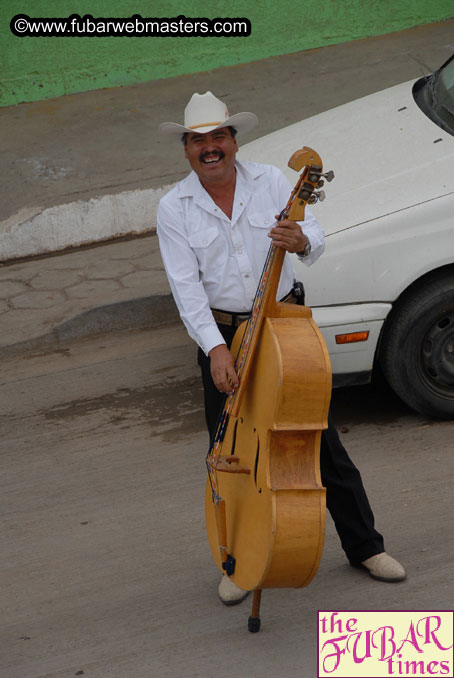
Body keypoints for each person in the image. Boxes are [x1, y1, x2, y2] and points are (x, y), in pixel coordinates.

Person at [157, 91, 406, 605]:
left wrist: (301, 241)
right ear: (186, 149)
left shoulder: (273, 180)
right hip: (223, 336)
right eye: (199, 140)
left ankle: (365, 547)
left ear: (233, 141)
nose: (210, 148)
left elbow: (313, 234)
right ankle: (235, 559)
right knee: (228, 454)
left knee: (316, 441)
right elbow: (186, 289)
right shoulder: (173, 208)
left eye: (218, 137)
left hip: (281, 327)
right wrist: (214, 351)